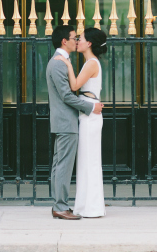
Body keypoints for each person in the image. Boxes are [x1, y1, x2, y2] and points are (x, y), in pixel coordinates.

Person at [46, 24, 104, 220]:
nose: (76, 41)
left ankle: (61, 205)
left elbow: (72, 90)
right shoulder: (59, 63)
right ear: (65, 41)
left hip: (71, 120)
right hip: (67, 121)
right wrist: (89, 107)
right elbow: (66, 96)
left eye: (79, 38)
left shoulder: (67, 62)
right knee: (63, 165)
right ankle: (60, 206)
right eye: (74, 38)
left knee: (62, 164)